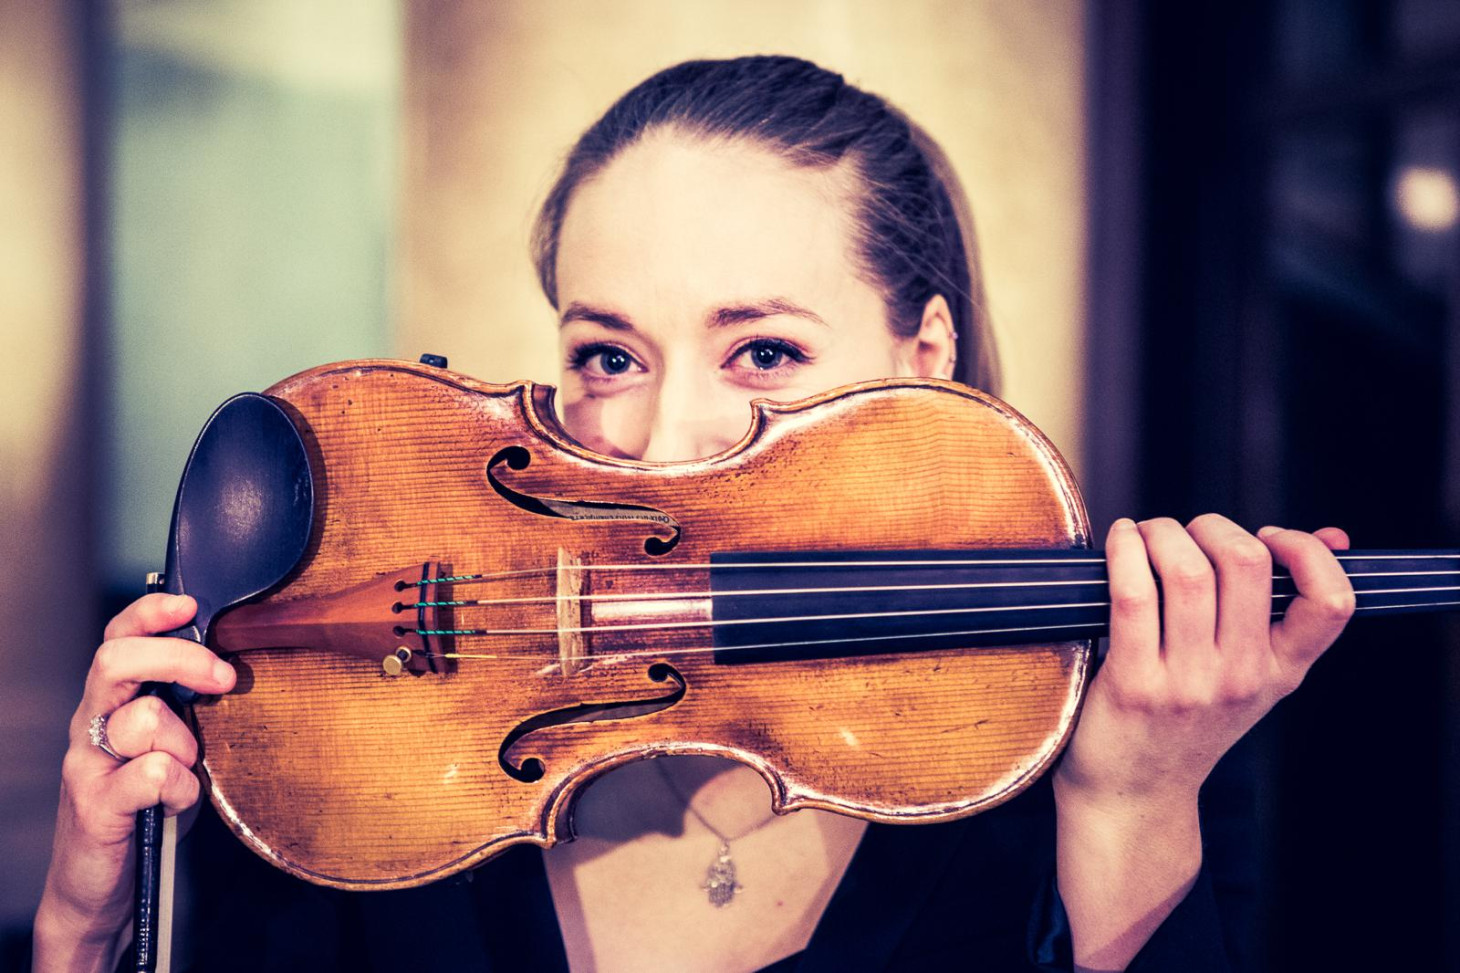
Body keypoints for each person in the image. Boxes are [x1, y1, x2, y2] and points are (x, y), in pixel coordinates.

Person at [32, 56, 1356, 972]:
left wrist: (1124, 804)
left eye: (764, 352)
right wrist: (90, 926)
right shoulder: (380, 746)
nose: (664, 441)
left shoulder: (1132, 739)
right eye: (609, 355)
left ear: (924, 356)